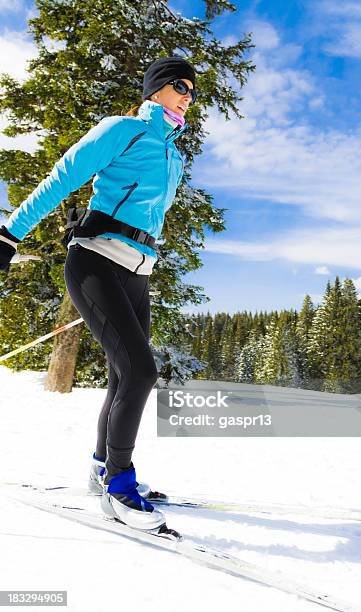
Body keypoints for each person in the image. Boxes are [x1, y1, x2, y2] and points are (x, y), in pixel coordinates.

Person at [0, 55, 197, 539]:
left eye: (192, 90)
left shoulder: (174, 154)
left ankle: (101, 468)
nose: (188, 96)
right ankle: (119, 489)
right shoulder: (123, 129)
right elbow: (64, 175)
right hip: (95, 260)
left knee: (120, 375)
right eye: (179, 86)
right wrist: (9, 235)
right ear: (155, 91)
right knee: (141, 371)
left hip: (136, 270)